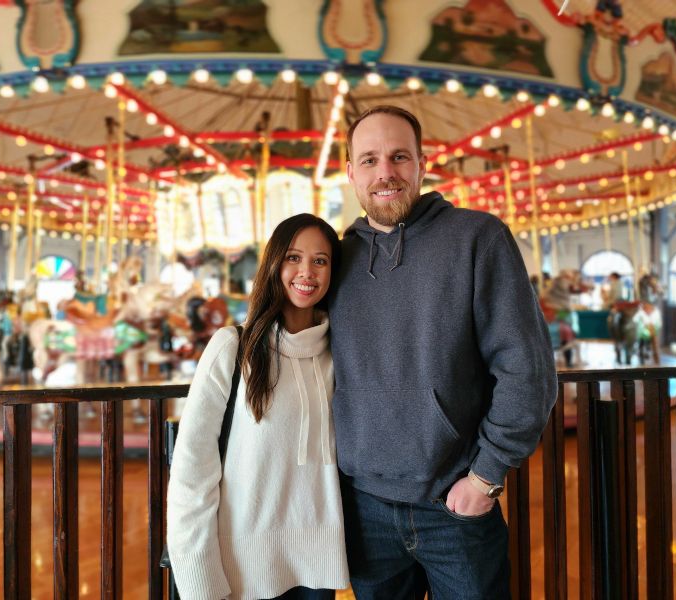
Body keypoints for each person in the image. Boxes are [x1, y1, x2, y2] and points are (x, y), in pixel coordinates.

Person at [329, 105, 558, 599]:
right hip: (364, 505)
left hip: (454, 502)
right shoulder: (339, 258)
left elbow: (526, 367)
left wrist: (486, 475)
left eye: (398, 157)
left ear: (421, 164)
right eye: (368, 160)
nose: (384, 172)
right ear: (350, 172)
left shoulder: (478, 237)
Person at [167, 213, 349, 600]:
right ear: (273, 264)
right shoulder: (233, 347)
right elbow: (191, 471)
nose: (307, 272)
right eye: (294, 258)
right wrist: (201, 581)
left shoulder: (339, 354)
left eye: (321, 260)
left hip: (318, 570)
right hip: (240, 571)